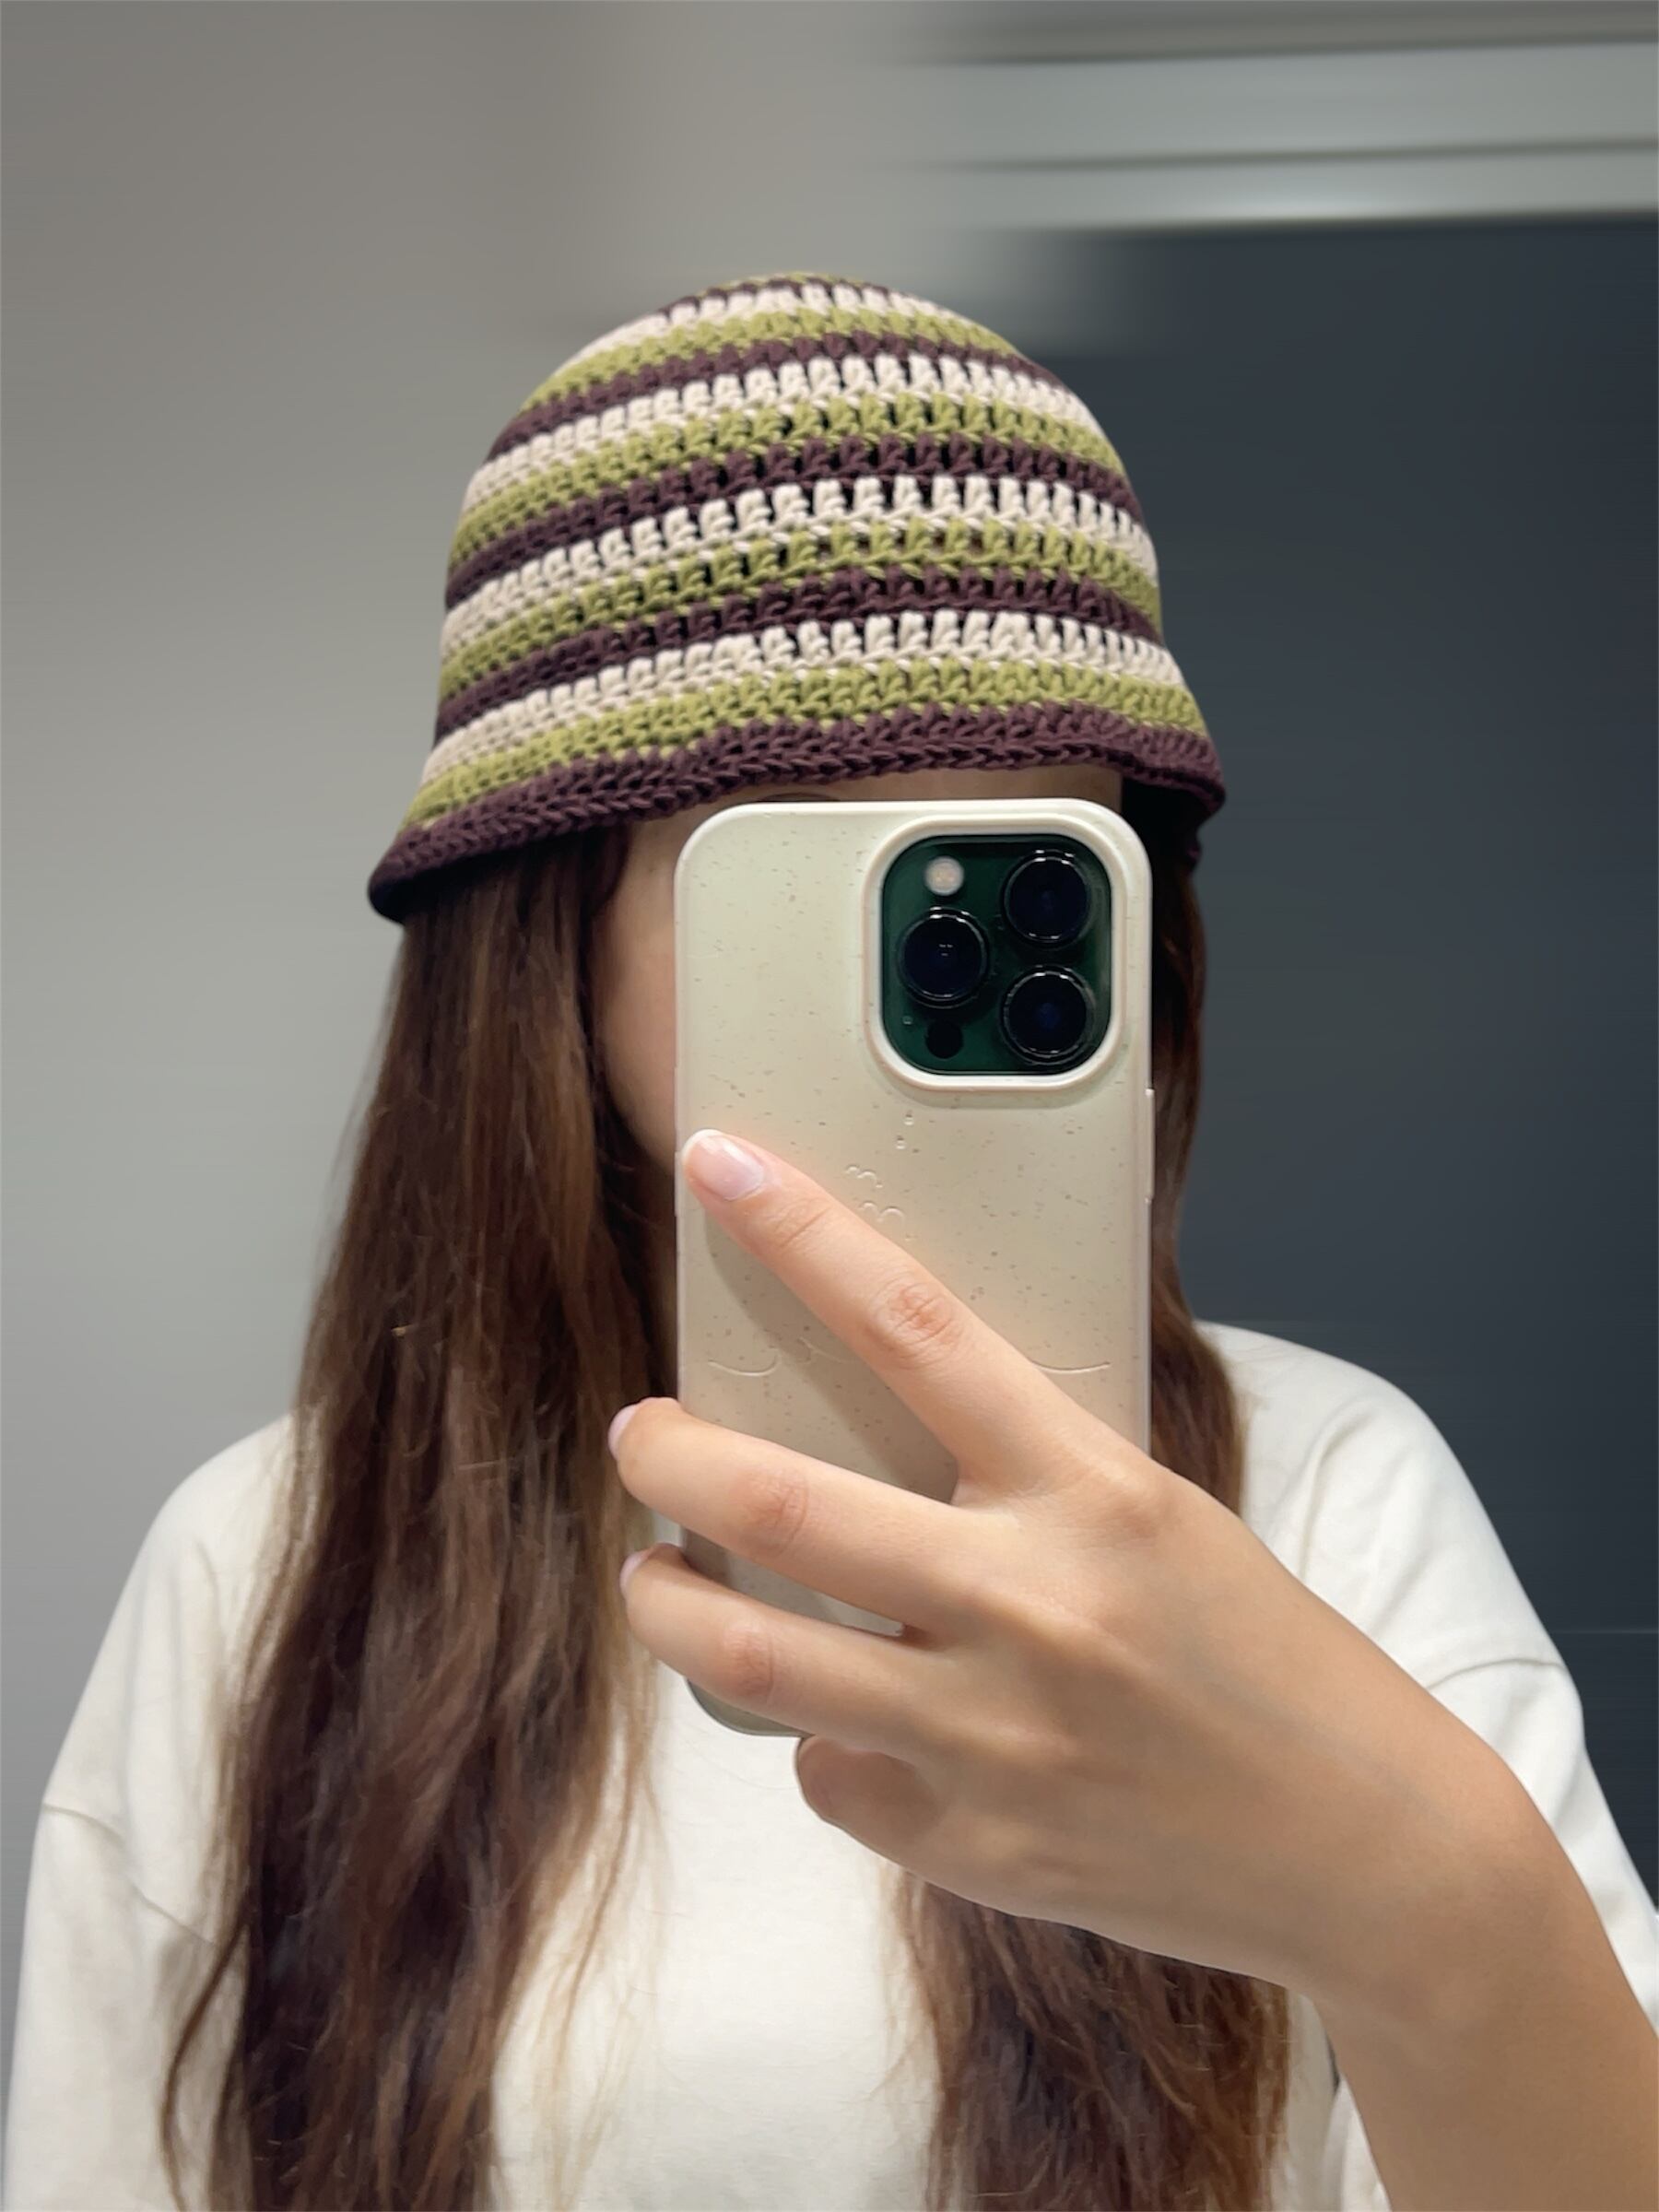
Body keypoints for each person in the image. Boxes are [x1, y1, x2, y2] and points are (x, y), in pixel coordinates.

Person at [5, 269, 1654, 2212]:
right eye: (810, 875)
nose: (914, 997)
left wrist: (1423, 1907)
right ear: (542, 943)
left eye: (1023, 893)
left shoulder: (1319, 1500)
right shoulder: (268, 1564)